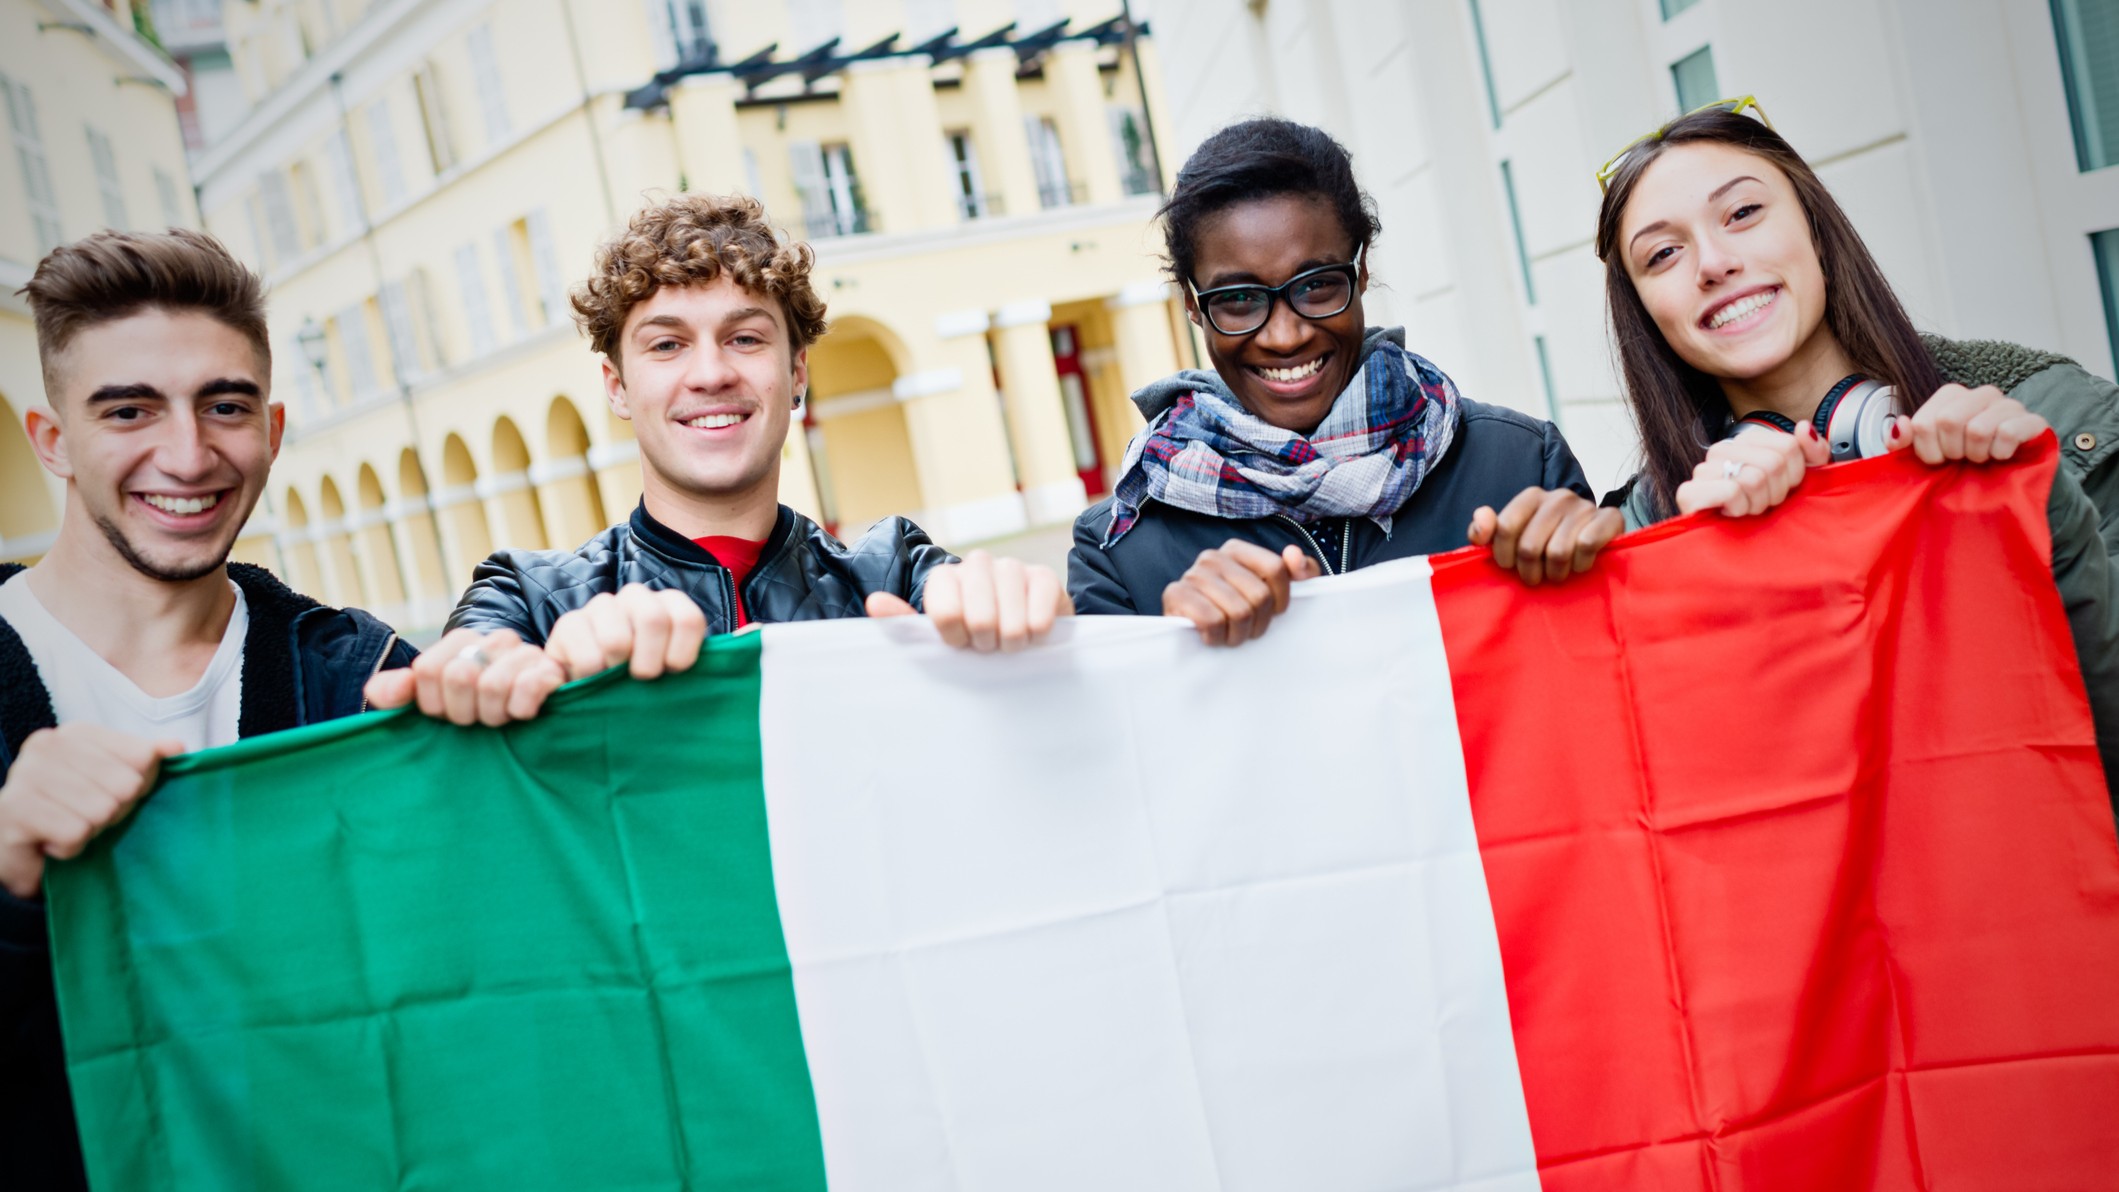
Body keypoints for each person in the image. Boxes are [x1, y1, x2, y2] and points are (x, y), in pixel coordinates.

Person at [1530, 98, 2119, 799]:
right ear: (1647, 317)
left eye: (1742, 214)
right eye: (1662, 254)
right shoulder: (1645, 533)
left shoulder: (2054, 417)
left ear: (1814, 228)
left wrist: (2038, 507)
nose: (1714, 263)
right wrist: (1698, 570)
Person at [0, 229, 423, 1190]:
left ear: (270, 432)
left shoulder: (361, 678)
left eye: (223, 406)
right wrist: (8, 870)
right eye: (130, 411)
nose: (186, 455)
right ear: (53, 441)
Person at [365, 194, 1068, 716]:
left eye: (745, 338)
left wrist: (1026, 612)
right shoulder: (529, 596)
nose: (710, 374)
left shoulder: (892, 574)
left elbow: (1050, 680)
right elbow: (469, 666)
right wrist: (508, 669)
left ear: (796, 374)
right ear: (617, 386)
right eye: (667, 344)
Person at [1066, 117, 1605, 646]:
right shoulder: (1117, 551)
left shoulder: (1518, 463)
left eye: (1317, 285)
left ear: (1361, 269)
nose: (1284, 336)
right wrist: (1176, 649)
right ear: (1191, 304)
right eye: (1237, 300)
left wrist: (1590, 560)